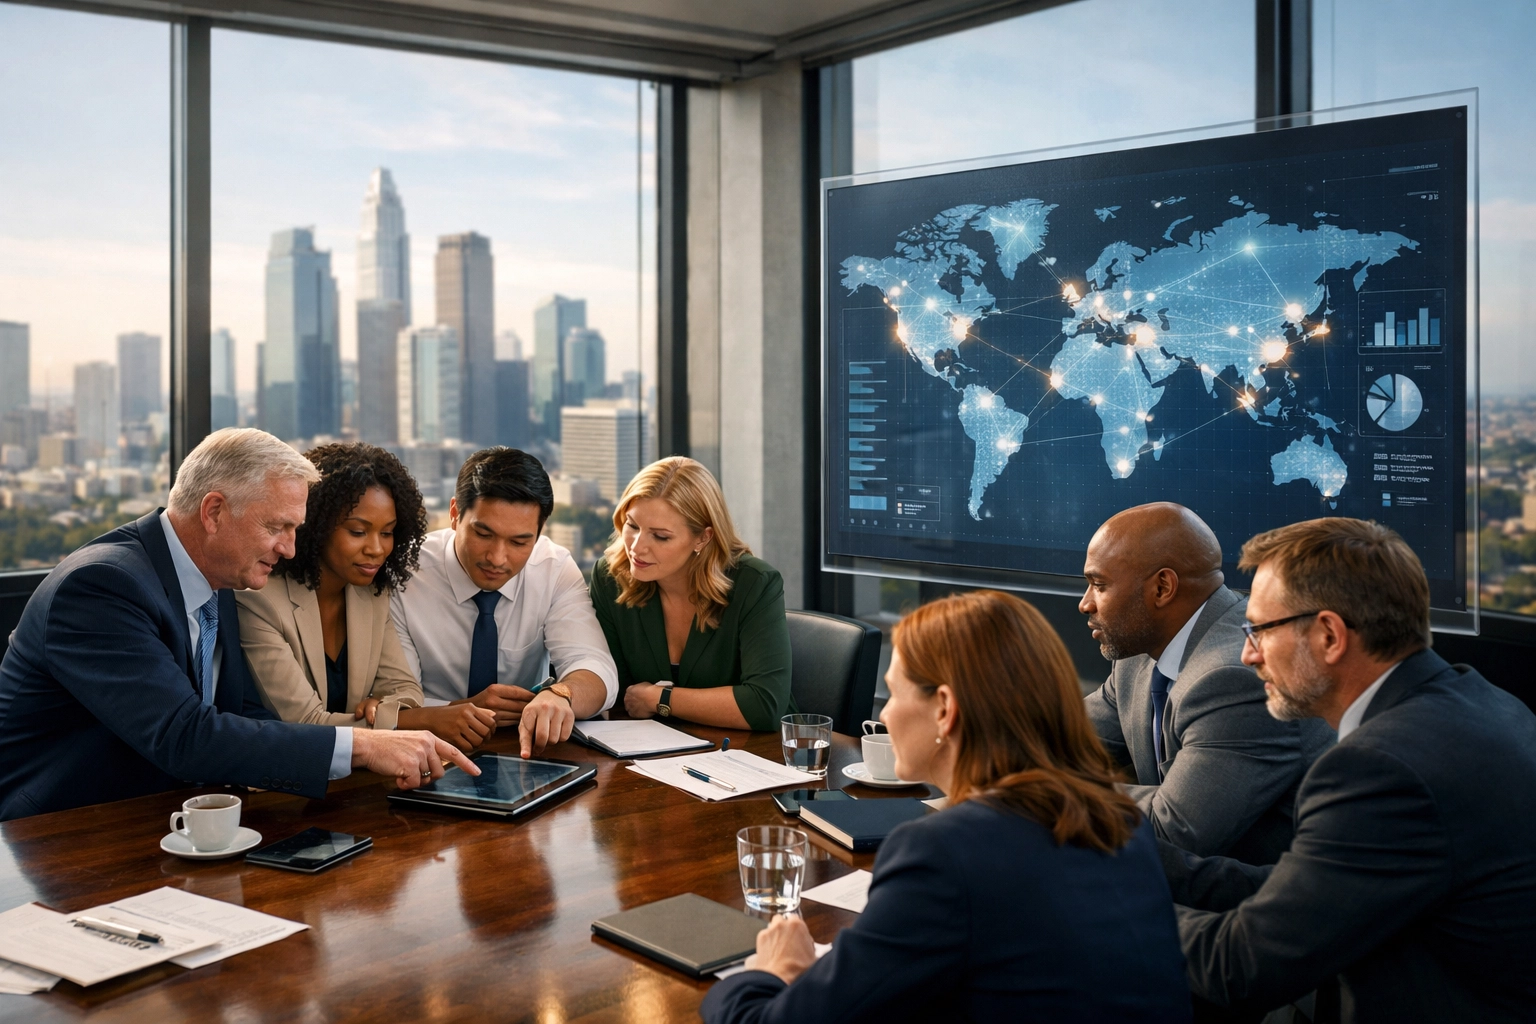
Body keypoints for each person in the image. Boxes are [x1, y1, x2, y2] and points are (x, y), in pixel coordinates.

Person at [702, 590, 1192, 1024]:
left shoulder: (943, 852)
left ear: (944, 708)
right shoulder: (1117, 819)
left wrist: (770, 972)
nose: (885, 714)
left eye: (893, 694)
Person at [1163, 518, 1536, 1022]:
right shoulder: (1487, 702)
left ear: (1330, 635)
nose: (1248, 654)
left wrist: (1098, 898)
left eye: (1259, 630)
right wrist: (1140, 858)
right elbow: (1315, 892)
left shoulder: (1379, 768)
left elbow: (1239, 968)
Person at [0, 428, 476, 821]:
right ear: (214, 512)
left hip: (172, 820)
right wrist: (363, 746)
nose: (290, 548)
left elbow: (244, 712)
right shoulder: (101, 586)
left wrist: (368, 749)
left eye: (295, 529)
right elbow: (184, 735)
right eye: (276, 527)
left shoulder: (219, 580)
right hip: (60, 836)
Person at [1080, 502, 1332, 864]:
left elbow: (1172, 831)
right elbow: (1061, 738)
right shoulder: (1137, 651)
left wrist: (1046, 793)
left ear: (1162, 587)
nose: (1085, 603)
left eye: (1099, 585)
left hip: (1258, 892)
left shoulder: (1237, 678)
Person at [237, 443, 496, 751]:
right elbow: (305, 722)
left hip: (364, 769)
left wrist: (387, 709)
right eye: (358, 532)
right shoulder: (260, 601)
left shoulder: (370, 593)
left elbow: (405, 688)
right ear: (315, 526)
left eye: (387, 533)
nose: (376, 549)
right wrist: (417, 720)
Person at [390, 447, 617, 758]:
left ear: (539, 532)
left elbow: (597, 669)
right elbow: (394, 701)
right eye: (483, 534)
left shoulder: (553, 568)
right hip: (423, 749)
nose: (497, 558)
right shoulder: (404, 573)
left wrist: (560, 694)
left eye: (519, 542)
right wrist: (459, 710)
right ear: (455, 514)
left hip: (525, 750)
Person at [589, 457, 792, 731]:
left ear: (703, 538)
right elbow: (615, 691)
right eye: (632, 526)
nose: (636, 547)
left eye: (660, 536)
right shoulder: (610, 577)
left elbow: (763, 706)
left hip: (753, 749)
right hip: (646, 746)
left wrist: (659, 698)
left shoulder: (755, 583)